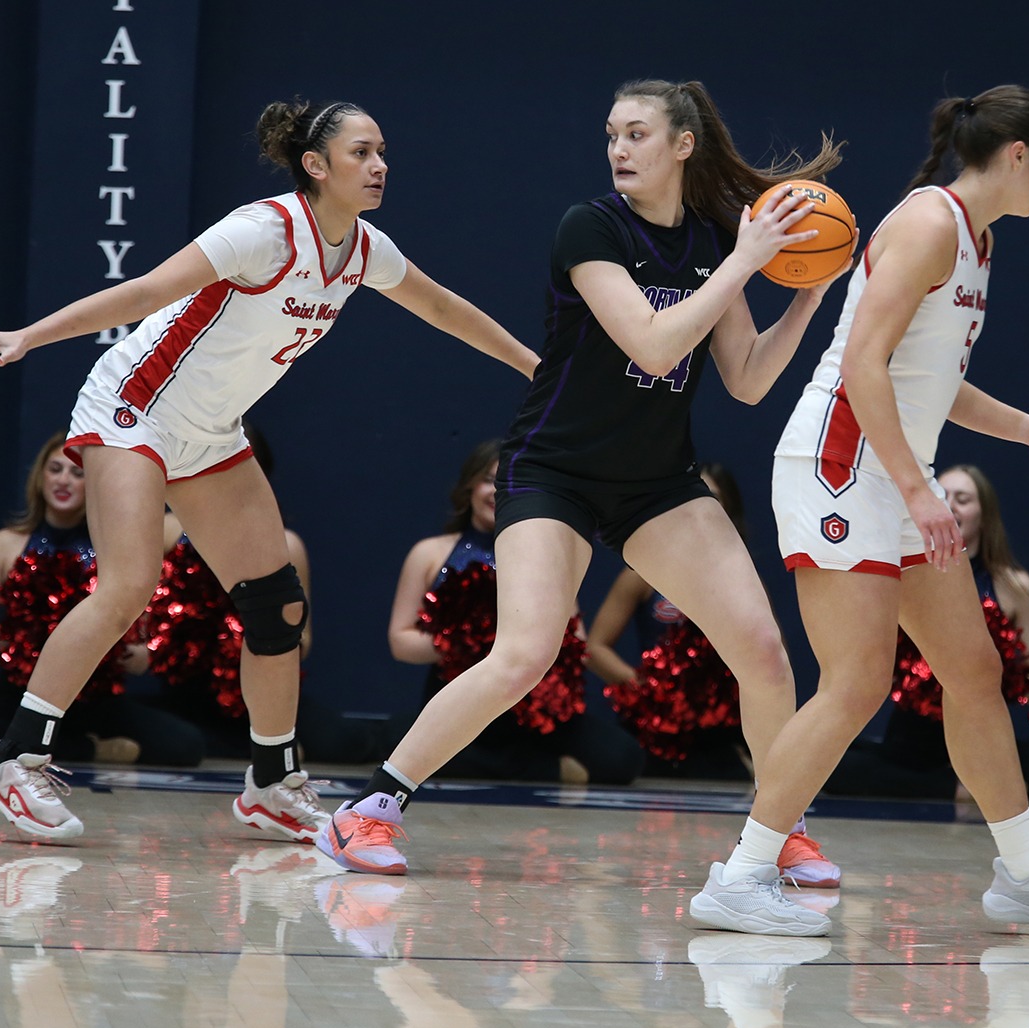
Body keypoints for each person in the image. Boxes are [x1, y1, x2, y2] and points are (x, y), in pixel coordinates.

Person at [0, 97, 539, 842]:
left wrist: (533, 367)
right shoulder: (262, 230)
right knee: (128, 583)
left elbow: (445, 308)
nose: (379, 165)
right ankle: (16, 757)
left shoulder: (364, 251)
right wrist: (33, 333)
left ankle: (272, 780)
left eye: (383, 150)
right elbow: (148, 290)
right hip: (134, 408)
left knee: (276, 607)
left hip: (210, 433)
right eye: (361, 153)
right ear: (316, 166)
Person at [320, 78, 847, 883]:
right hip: (554, 470)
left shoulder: (710, 238)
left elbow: (744, 377)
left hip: (655, 481)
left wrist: (804, 296)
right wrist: (745, 261)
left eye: (636, 134)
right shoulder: (589, 227)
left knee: (766, 654)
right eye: (611, 134)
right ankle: (369, 810)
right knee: (525, 653)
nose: (618, 149)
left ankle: (778, 832)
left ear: (681, 145)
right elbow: (654, 346)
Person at [689, 86, 1029, 938]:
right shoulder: (929, 224)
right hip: (838, 468)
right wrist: (921, 491)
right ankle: (741, 875)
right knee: (856, 685)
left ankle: (1026, 877)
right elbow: (860, 364)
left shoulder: (979, 240)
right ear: (1015, 155)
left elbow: (929, 380)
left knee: (974, 674)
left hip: (891, 469)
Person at [824, 463, 1029, 806]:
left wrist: (1001, 669)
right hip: (916, 744)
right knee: (830, 764)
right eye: (942, 495)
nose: (950, 505)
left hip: (985, 737)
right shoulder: (905, 576)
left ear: (985, 515)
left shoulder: (1014, 587)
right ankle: (949, 789)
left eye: (963, 499)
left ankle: (975, 782)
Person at [385, 439, 644, 784]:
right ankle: (548, 769)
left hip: (537, 705)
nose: (498, 491)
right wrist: (470, 640)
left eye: (512, 482)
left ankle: (526, 758)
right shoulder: (429, 553)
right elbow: (401, 641)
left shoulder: (549, 558)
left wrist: (520, 646)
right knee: (396, 742)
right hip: (461, 692)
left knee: (622, 758)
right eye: (489, 480)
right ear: (468, 486)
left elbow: (575, 641)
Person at [0, 433, 204, 767]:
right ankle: (89, 750)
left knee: (187, 744)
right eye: (55, 469)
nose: (64, 480)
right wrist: (27, 630)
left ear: (93, 484)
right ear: (40, 476)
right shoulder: (5, 543)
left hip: (98, 699)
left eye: (78, 473)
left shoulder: (113, 548)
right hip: (21, 694)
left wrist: (129, 652)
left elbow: (141, 649)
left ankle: (58, 744)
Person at [144, 426, 392, 769]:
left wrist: (259, 635)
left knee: (349, 743)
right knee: (178, 743)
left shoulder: (285, 545)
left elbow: (302, 641)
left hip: (264, 682)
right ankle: (257, 748)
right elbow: (143, 610)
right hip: (190, 685)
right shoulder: (170, 530)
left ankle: (256, 742)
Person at [588, 461, 754, 780]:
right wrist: (648, 689)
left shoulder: (742, 578)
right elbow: (595, 647)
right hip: (655, 727)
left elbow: (773, 655)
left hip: (718, 732)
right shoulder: (642, 572)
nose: (700, 511)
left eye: (713, 501)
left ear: (728, 511)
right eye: (692, 500)